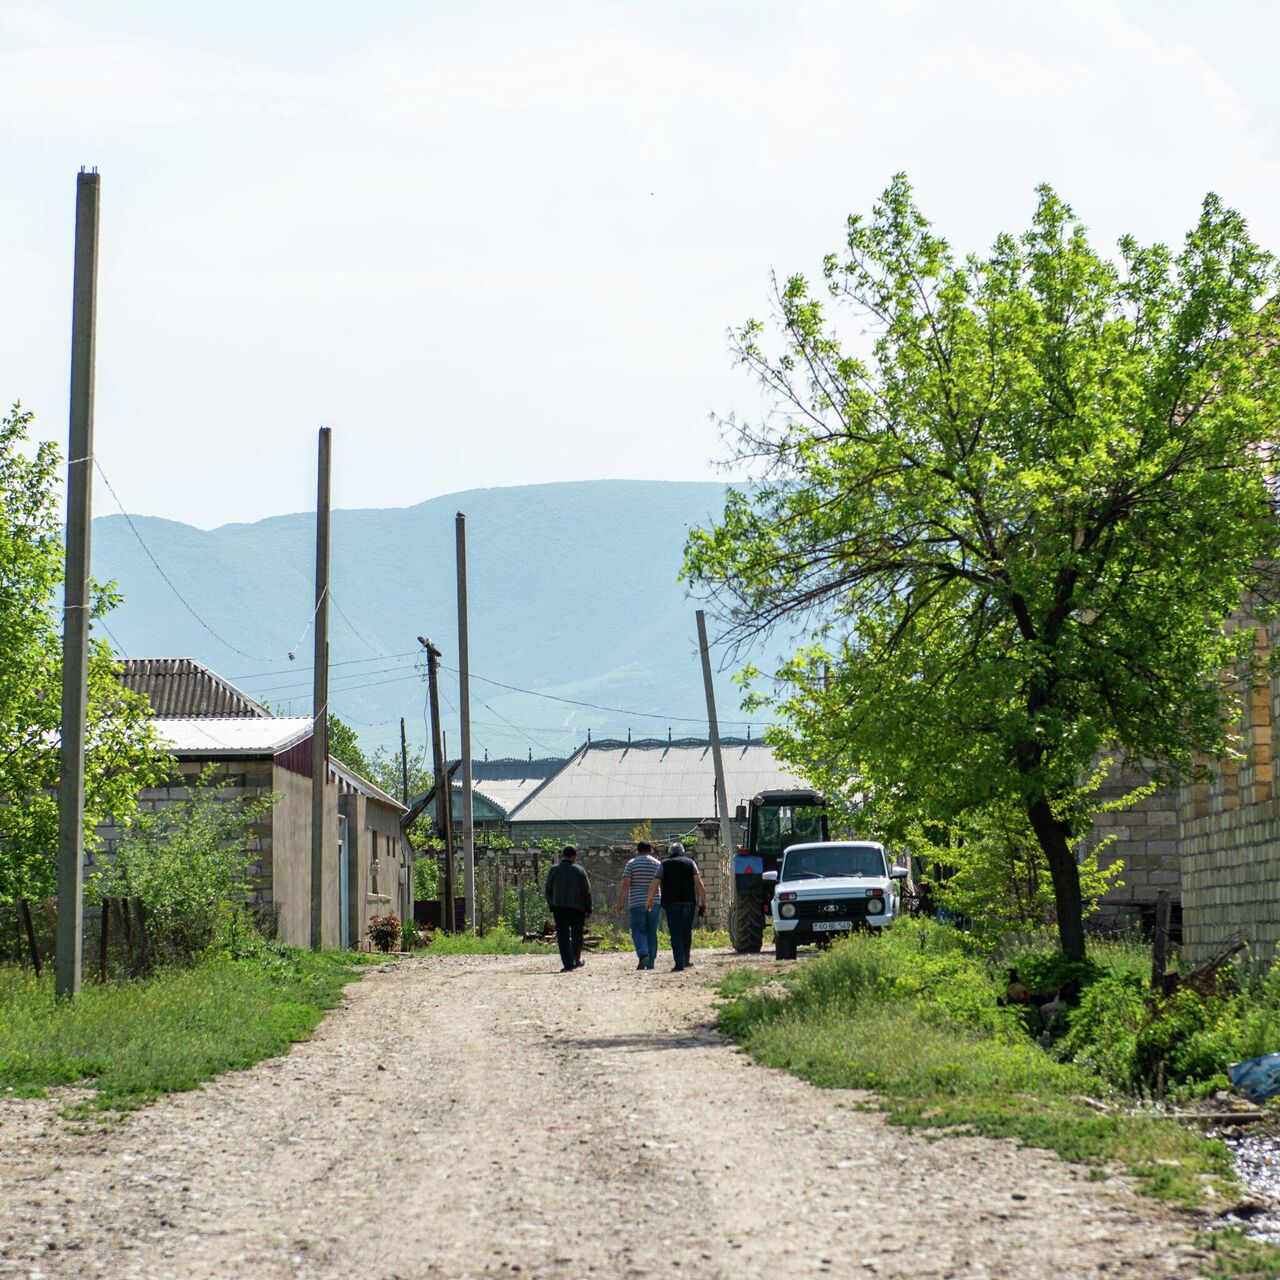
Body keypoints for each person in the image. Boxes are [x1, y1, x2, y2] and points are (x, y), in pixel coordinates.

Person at [645, 841, 706, 972]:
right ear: (683, 852)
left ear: (670, 852)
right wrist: (703, 902)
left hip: (671, 903)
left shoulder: (664, 864)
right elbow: (699, 883)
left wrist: (649, 900)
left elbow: (655, 883)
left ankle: (679, 963)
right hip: (689, 902)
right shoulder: (690, 863)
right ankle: (686, 960)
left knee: (675, 933)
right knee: (686, 932)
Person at [615, 840, 662, 971]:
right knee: (652, 931)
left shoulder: (631, 864)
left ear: (637, 850)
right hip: (654, 901)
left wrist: (620, 902)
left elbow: (626, 884)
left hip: (636, 902)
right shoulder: (658, 864)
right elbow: (660, 883)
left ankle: (643, 953)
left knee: (638, 930)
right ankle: (650, 962)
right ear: (651, 850)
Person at [545, 845, 592, 972]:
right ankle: (576, 959)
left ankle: (568, 964)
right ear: (574, 856)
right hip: (577, 909)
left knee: (563, 937)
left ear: (563, 855)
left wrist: (552, 904)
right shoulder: (580, 870)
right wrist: (588, 908)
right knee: (577, 935)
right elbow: (586, 891)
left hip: (559, 908)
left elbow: (547, 890)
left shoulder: (554, 870)